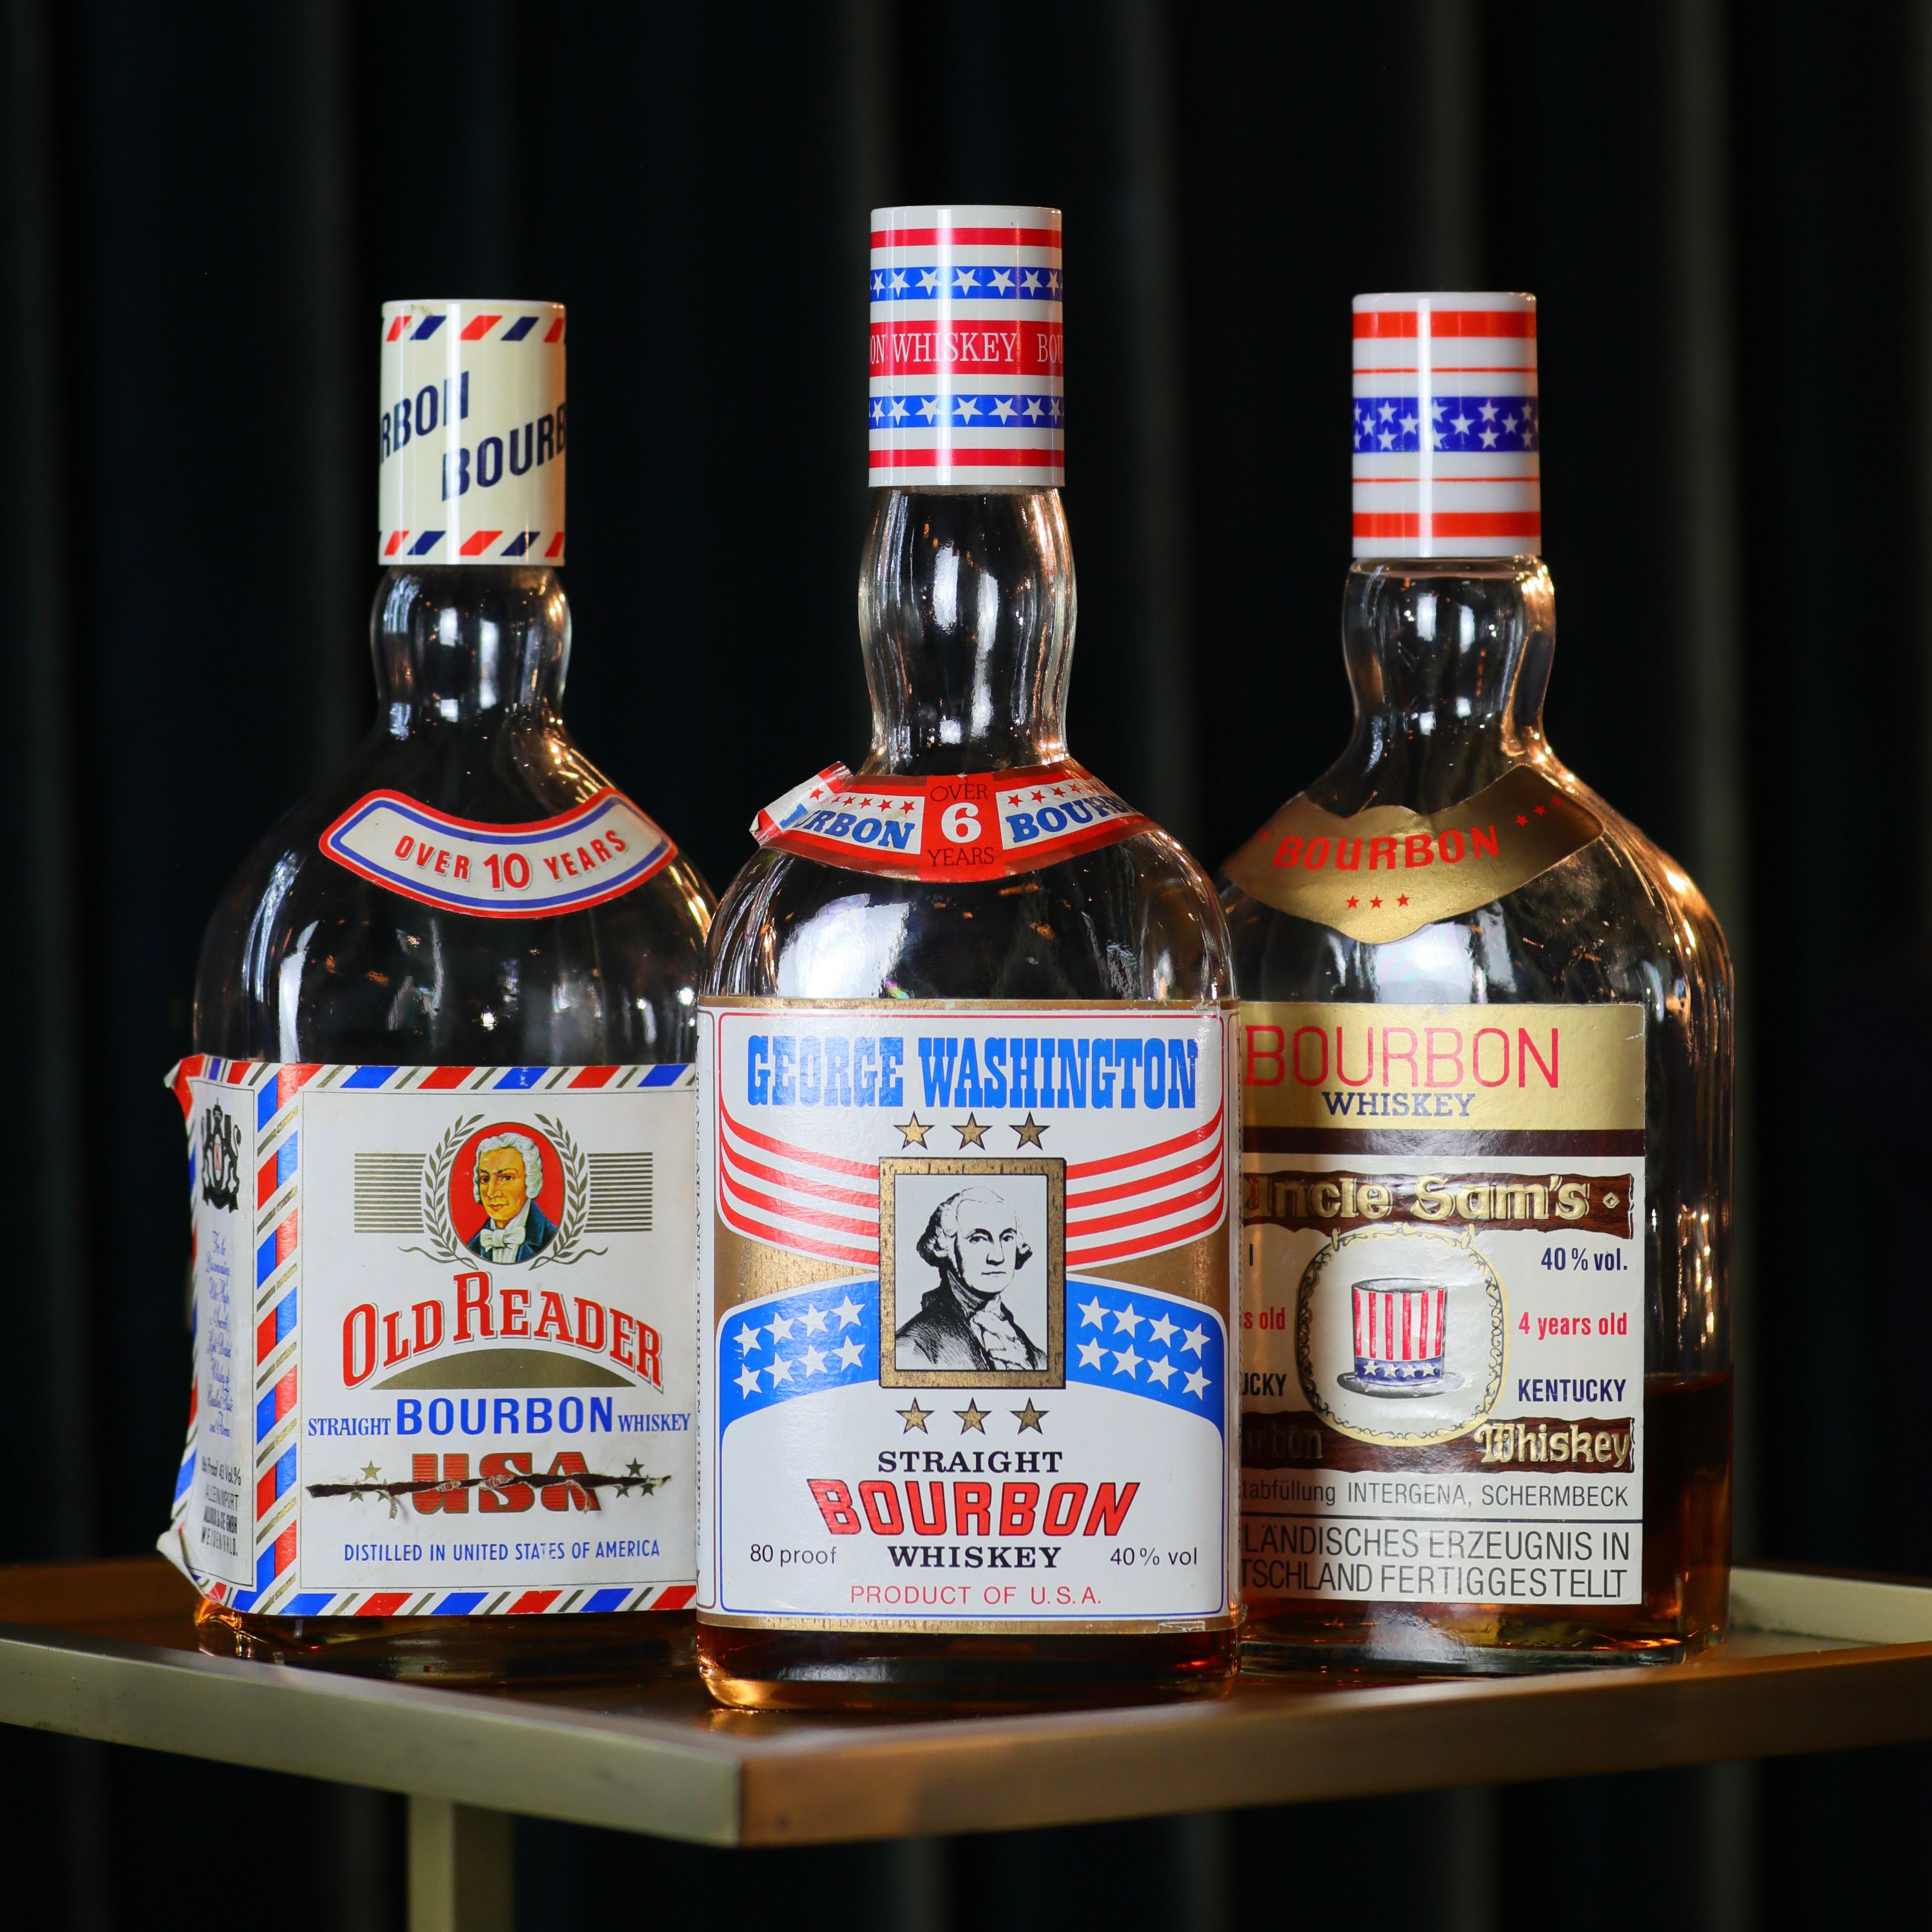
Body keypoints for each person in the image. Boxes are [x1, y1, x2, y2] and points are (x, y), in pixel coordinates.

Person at [896, 1186, 1044, 1371]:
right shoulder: (912, 1348)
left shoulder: (1037, 1357)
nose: (998, 1257)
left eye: (1007, 1238)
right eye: (979, 1239)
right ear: (947, 1246)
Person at [466, 1130, 557, 1263]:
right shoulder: (472, 1247)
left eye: (506, 1178)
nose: (491, 1192)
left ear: (530, 1181)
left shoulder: (552, 1240)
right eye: (485, 1179)